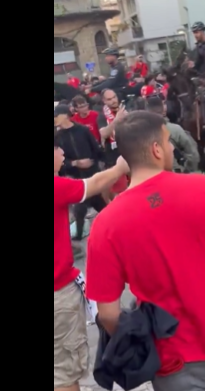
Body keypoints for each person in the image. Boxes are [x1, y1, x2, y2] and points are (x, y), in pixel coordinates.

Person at [86, 111, 205, 391]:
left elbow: (107, 313)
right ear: (155, 149)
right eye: (168, 141)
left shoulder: (106, 224)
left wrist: (138, 340)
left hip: (168, 354)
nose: (172, 147)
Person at [54, 139, 131, 391]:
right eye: (56, 148)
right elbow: (93, 185)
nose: (62, 151)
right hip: (58, 296)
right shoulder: (57, 187)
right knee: (64, 372)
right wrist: (120, 167)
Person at [54, 104, 107, 241]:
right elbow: (60, 163)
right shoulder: (57, 137)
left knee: (100, 205)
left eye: (56, 115)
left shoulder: (83, 130)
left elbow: (97, 150)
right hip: (75, 179)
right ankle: (78, 236)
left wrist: (95, 162)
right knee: (80, 207)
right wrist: (75, 163)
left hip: (92, 176)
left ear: (65, 115)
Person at [146, 96, 200, 172]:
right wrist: (187, 170)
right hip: (176, 174)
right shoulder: (176, 130)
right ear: (163, 109)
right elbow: (193, 154)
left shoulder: (139, 133)